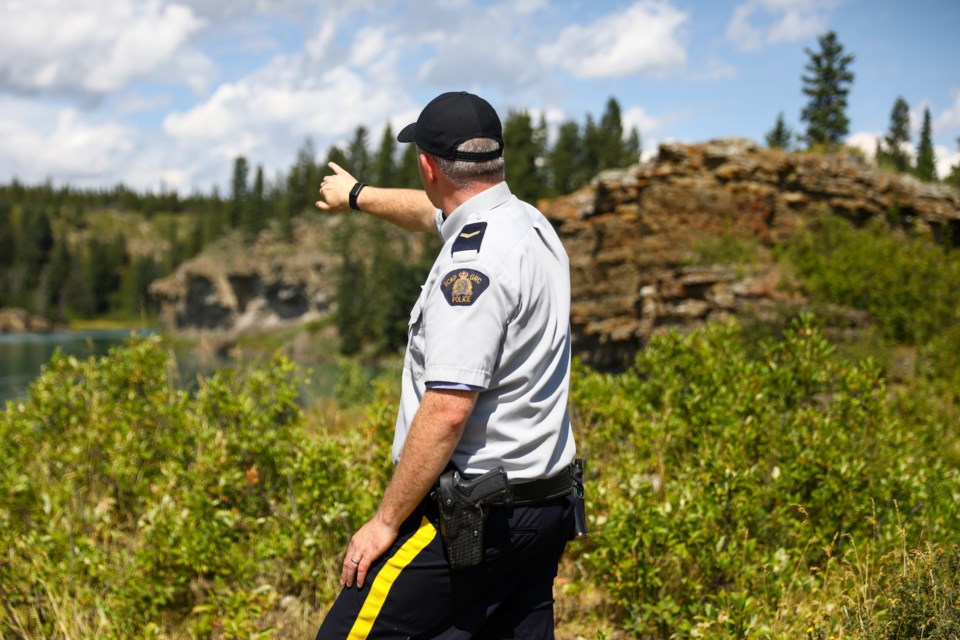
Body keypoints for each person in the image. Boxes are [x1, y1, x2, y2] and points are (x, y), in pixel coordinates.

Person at [313, 91, 578, 639]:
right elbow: (432, 213)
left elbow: (447, 412)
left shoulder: (472, 269)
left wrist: (384, 523)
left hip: (474, 519)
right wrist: (357, 195)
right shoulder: (528, 224)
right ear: (494, 160)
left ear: (427, 164)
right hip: (543, 507)